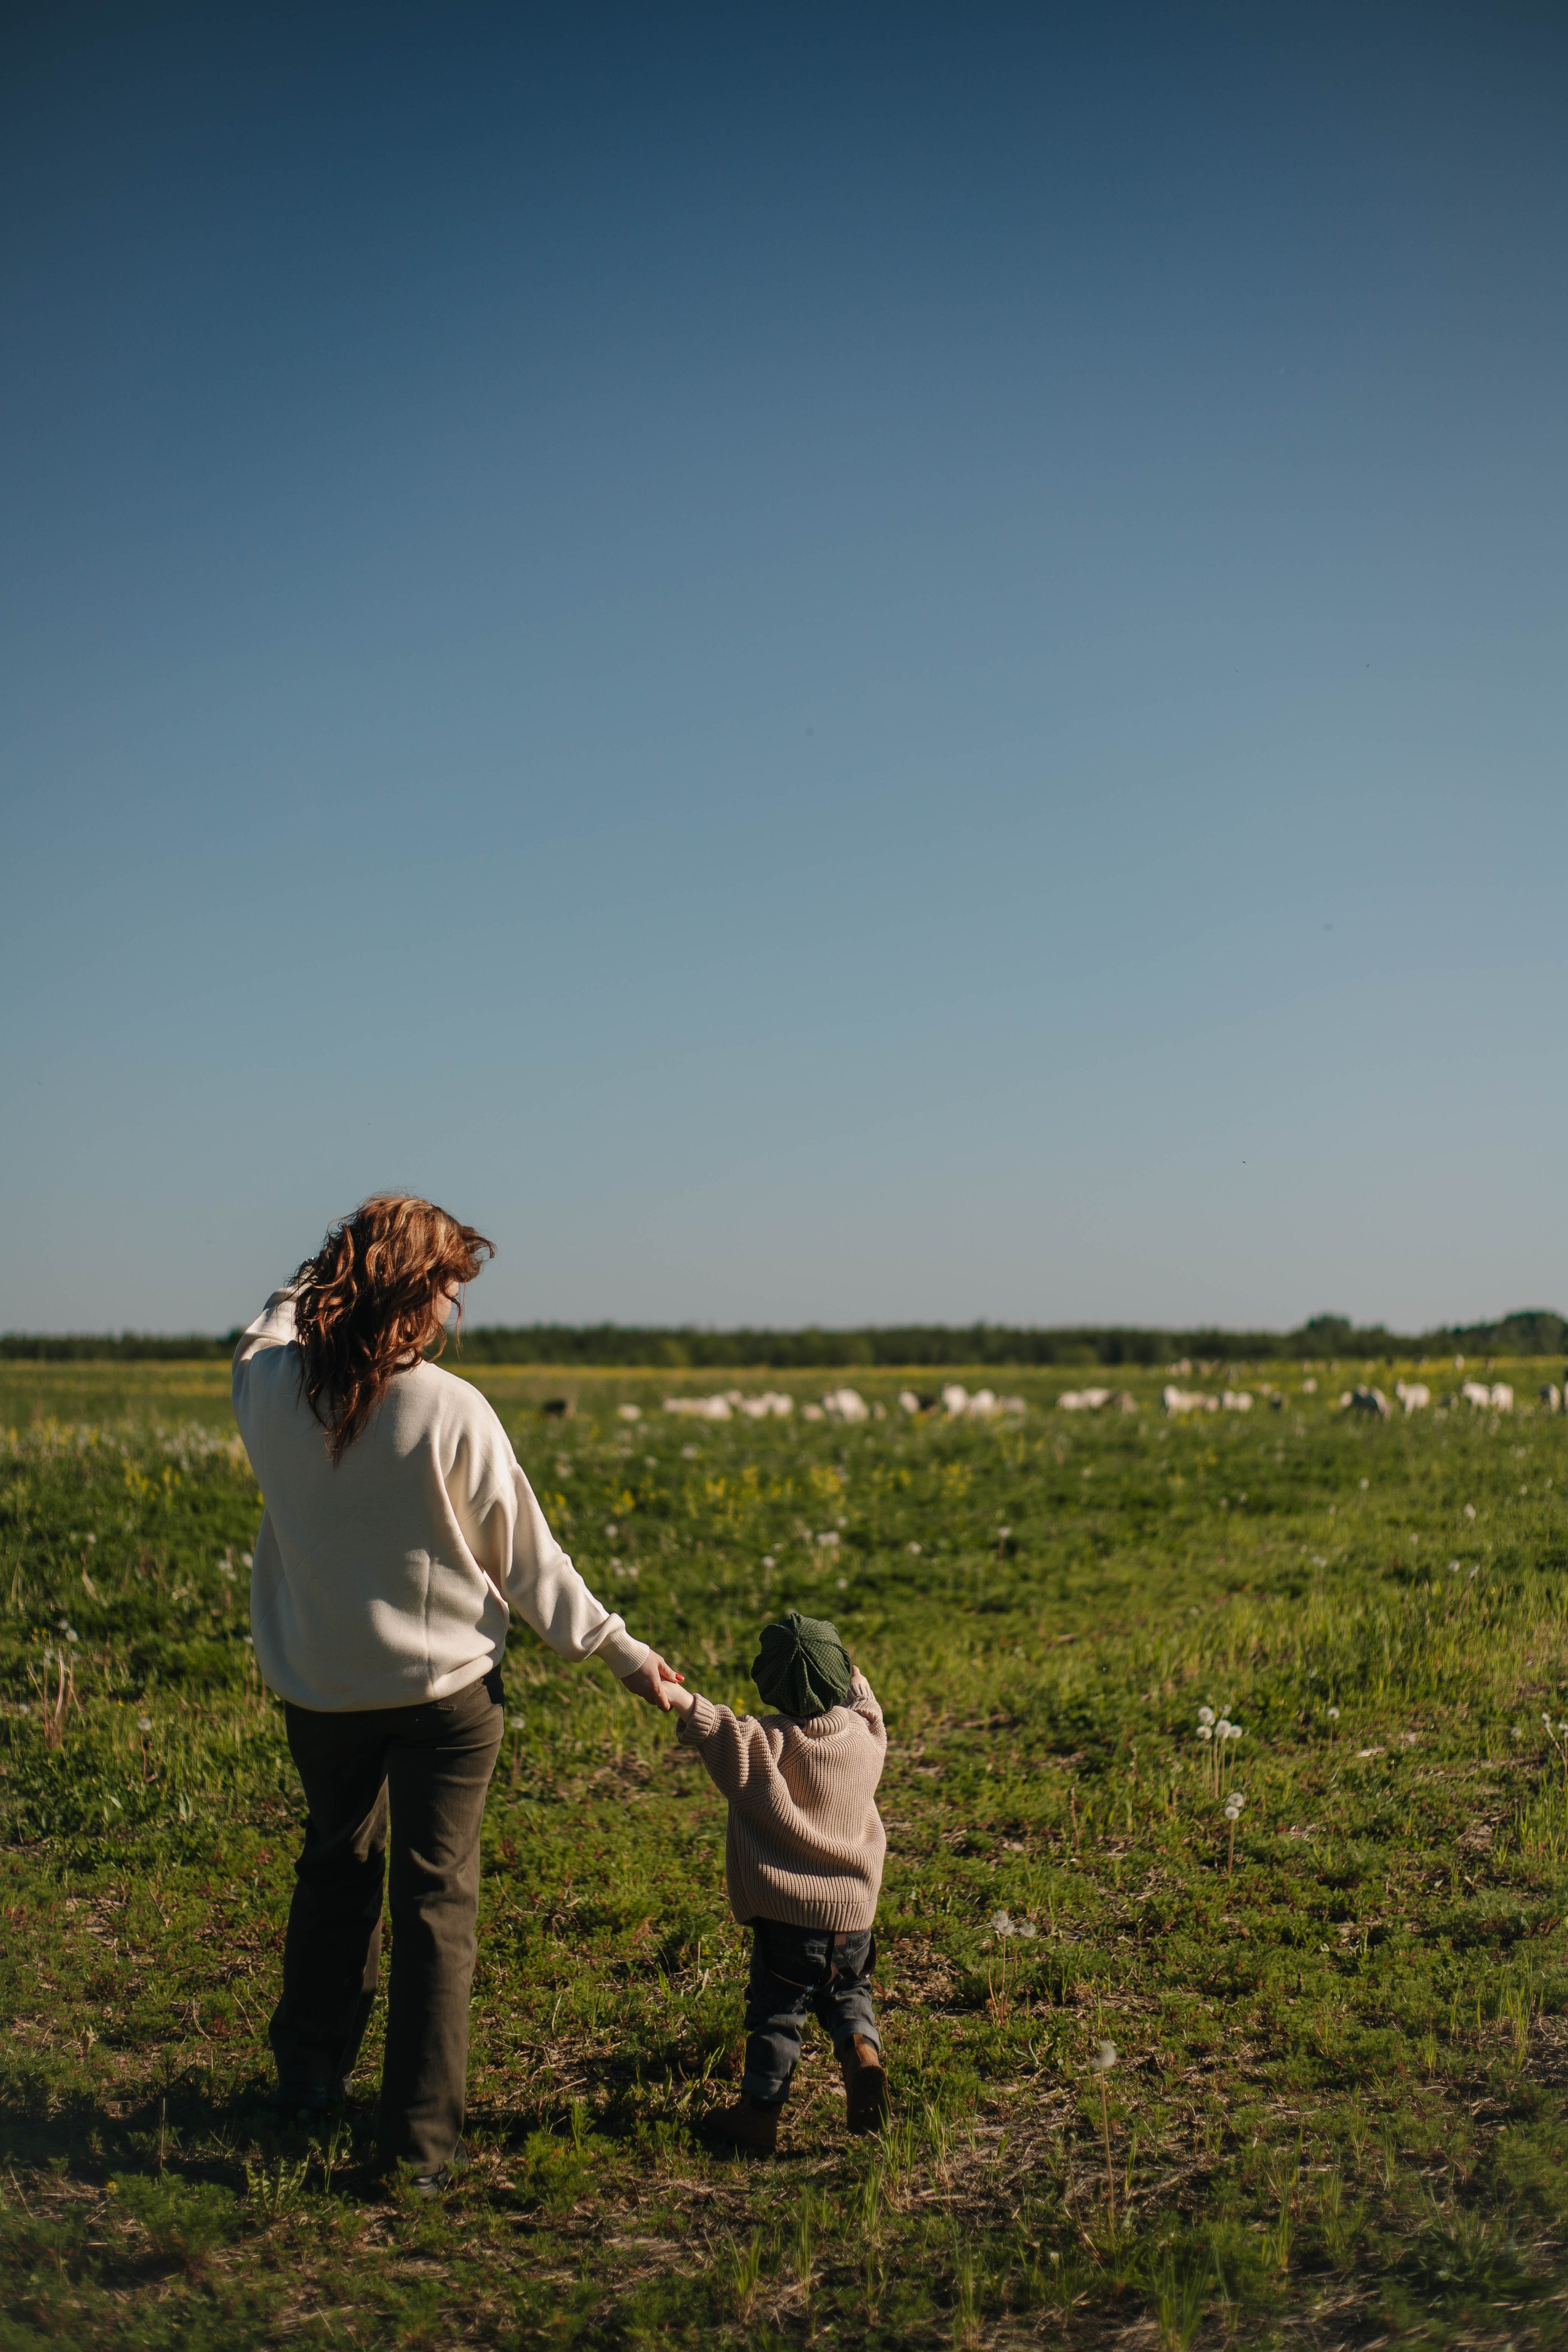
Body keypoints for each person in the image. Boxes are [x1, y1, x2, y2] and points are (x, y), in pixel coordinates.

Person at [232, 1194, 680, 2193]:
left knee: (334, 1867)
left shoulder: (267, 1387)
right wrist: (621, 1653)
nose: (452, 1310)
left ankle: (306, 2081)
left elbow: (270, 1318)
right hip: (443, 1699)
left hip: (321, 1690)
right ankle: (419, 2151)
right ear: (410, 1293)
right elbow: (529, 1563)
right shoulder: (448, 1407)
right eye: (444, 1286)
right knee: (436, 1906)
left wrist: (327, 1265)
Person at [663, 1610, 889, 2154]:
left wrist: (682, 1701)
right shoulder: (865, 1737)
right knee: (849, 1993)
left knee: (777, 2015)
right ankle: (862, 2051)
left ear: (768, 1684)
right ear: (841, 1677)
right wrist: (853, 1680)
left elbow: (720, 1731)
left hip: (790, 1920)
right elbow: (868, 1706)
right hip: (854, 1915)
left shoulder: (764, 1747)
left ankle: (759, 2116)